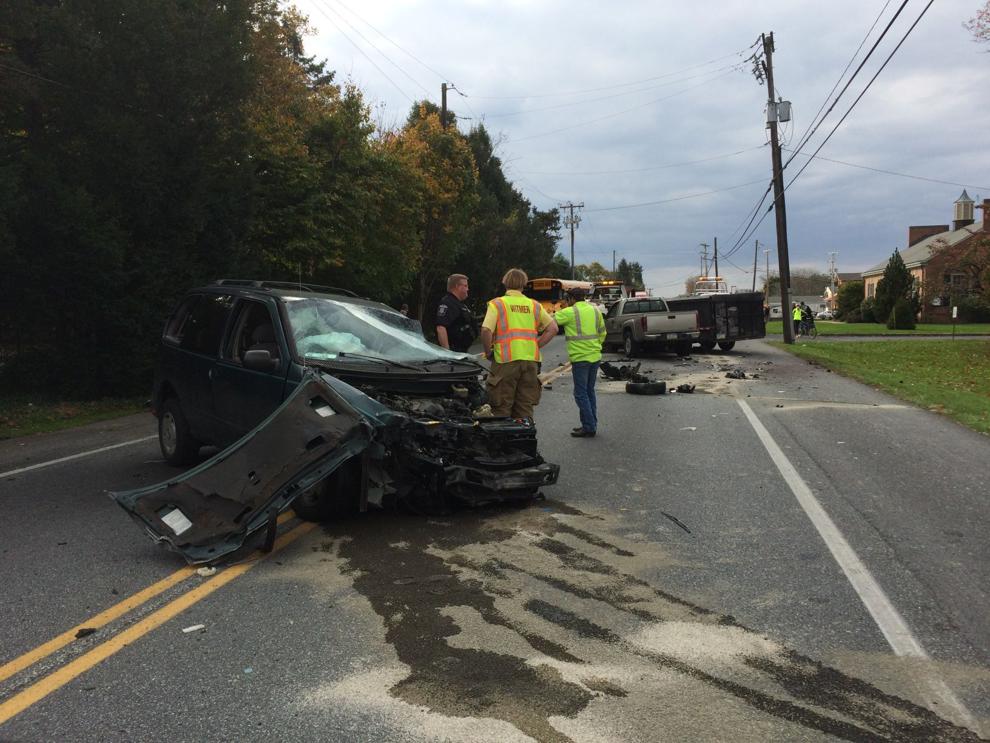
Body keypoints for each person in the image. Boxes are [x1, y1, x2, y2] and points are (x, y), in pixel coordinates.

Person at [480, 268, 558, 419]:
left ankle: (504, 434)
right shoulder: (534, 305)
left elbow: (486, 330)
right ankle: (524, 433)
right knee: (524, 408)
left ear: (505, 283)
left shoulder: (498, 304)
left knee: (501, 406)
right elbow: (553, 328)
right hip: (530, 362)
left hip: (505, 361)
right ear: (524, 284)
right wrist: (536, 345)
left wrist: (488, 352)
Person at [554, 287, 606, 438]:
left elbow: (549, 322)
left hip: (580, 358)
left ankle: (589, 427)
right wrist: (595, 347)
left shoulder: (569, 312)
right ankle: (589, 424)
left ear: (571, 299)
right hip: (595, 356)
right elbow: (603, 333)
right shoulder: (595, 310)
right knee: (589, 391)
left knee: (580, 393)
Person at [435, 274, 476, 352]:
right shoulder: (447, 303)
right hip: (454, 351)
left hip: (461, 351)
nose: (468, 289)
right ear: (457, 286)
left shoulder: (458, 304)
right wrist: (448, 353)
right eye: (465, 286)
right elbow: (441, 328)